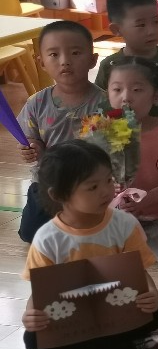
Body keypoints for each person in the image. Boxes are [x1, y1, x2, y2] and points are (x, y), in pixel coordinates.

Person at [22, 141, 158, 349]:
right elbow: (40, 290)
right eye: (93, 187)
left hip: (116, 310)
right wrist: (31, 314)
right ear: (59, 195)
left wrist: (150, 292)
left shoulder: (124, 224)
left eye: (108, 180)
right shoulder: (47, 238)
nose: (106, 191)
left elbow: (138, 271)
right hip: (74, 318)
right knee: (33, 336)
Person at [18, 20, 108, 243]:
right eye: (54, 54)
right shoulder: (36, 103)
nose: (65, 61)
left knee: (95, 234)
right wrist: (33, 148)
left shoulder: (106, 103)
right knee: (31, 234)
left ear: (93, 59)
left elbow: (114, 149)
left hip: (89, 182)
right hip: (49, 182)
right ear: (41, 62)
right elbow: (32, 139)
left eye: (75, 53)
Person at [104, 56, 158, 247]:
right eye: (117, 89)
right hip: (113, 218)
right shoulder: (101, 132)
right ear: (108, 94)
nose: (126, 97)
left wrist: (147, 199)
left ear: (156, 97)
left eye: (137, 90)